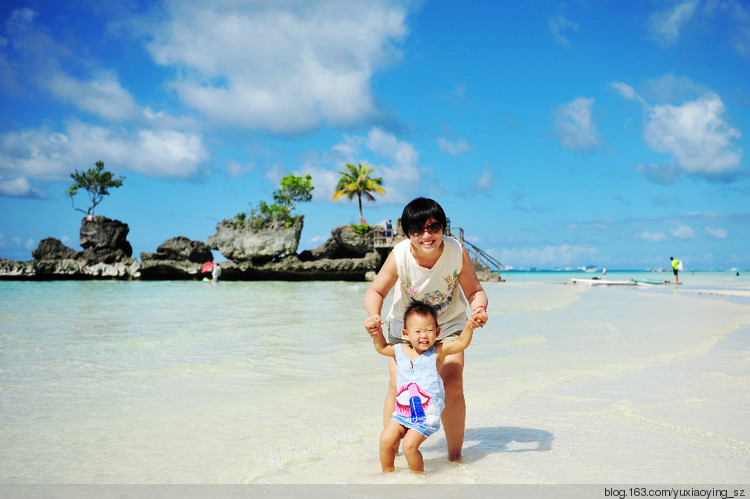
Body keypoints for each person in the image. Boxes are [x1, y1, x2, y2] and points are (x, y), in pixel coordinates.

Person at [364, 197, 488, 461]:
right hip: (406, 330)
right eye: (417, 230)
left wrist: (478, 310)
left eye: (433, 227)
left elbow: (475, 291)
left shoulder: (456, 251)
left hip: (447, 326)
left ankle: (455, 458)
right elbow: (376, 290)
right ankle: (392, 454)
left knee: (452, 382)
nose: (426, 235)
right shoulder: (400, 255)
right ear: (408, 234)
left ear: (443, 227)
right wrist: (374, 316)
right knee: (398, 386)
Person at [371, 301, 478, 473]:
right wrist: (377, 333)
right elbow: (381, 347)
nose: (424, 336)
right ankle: (387, 475)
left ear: (437, 332)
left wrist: (470, 326)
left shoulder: (437, 352)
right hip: (402, 412)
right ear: (406, 333)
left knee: (409, 446)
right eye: (418, 331)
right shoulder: (400, 350)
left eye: (429, 331)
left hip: (426, 415)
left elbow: (462, 343)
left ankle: (419, 479)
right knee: (385, 439)